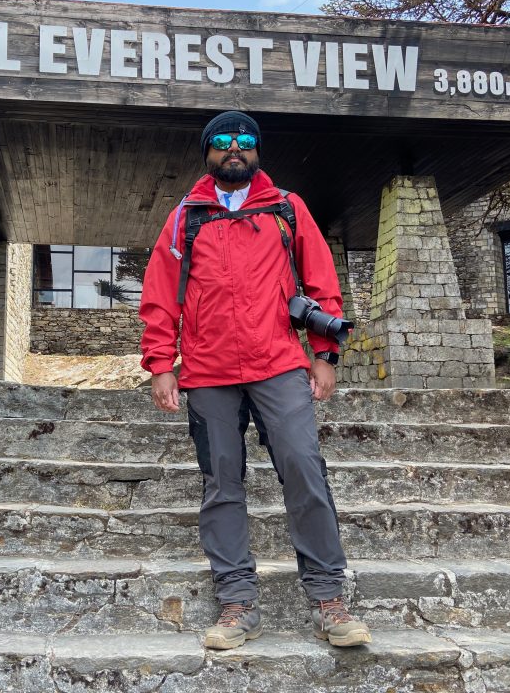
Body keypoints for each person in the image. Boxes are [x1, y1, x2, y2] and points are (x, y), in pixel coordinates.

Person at [138, 110, 371, 650]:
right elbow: (158, 295)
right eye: (222, 141)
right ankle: (237, 602)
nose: (234, 148)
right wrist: (160, 365)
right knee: (222, 484)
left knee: (304, 468)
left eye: (244, 140)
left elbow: (321, 283)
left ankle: (329, 599)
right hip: (208, 368)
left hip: (279, 363)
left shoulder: (287, 209)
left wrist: (325, 355)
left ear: (258, 151)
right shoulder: (184, 218)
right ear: (208, 153)